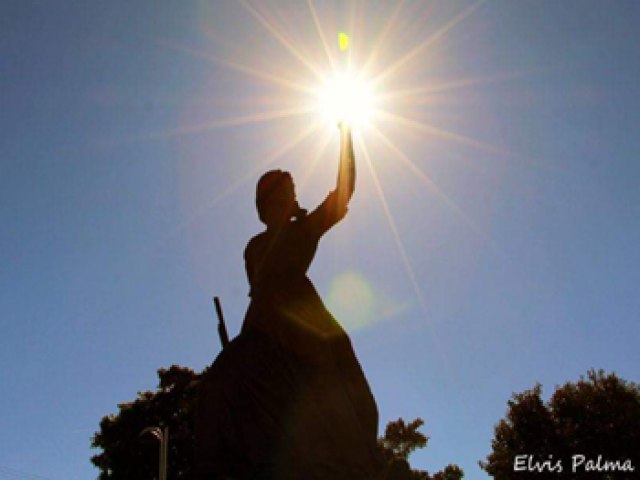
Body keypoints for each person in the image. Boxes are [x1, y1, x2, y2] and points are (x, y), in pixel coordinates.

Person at [195, 123, 381, 480]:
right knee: (219, 384)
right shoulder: (256, 246)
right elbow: (264, 275)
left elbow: (343, 194)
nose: (281, 204)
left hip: (305, 324)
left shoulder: (303, 230)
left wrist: (346, 139)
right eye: (274, 200)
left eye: (287, 196)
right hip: (266, 325)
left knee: (339, 396)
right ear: (263, 210)